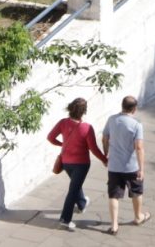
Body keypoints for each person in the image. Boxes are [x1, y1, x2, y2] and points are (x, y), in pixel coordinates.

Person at [47, 97, 108, 232]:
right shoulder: (86, 128)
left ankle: (82, 204)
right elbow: (93, 148)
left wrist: (63, 144)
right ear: (83, 112)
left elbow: (50, 137)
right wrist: (104, 159)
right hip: (81, 164)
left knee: (75, 184)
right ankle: (65, 219)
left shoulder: (63, 123)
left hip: (66, 162)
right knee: (73, 190)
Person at [102, 95, 149, 236]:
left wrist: (106, 154)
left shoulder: (111, 120)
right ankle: (138, 216)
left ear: (122, 106)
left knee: (113, 195)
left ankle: (114, 225)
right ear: (134, 109)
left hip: (114, 165)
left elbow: (105, 138)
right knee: (136, 191)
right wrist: (141, 168)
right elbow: (139, 148)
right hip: (131, 166)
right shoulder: (136, 125)